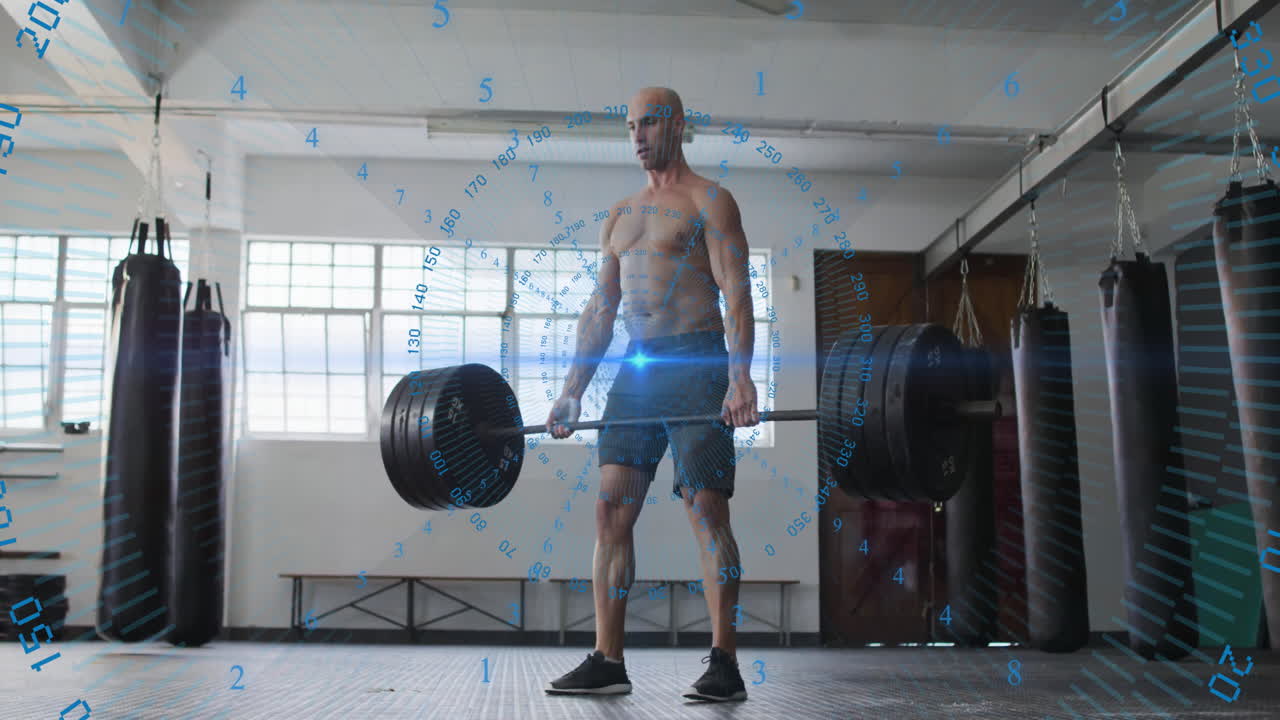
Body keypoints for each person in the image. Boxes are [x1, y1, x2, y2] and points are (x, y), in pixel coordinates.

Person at [543, 86, 759, 703]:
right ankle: (608, 660)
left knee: (706, 510)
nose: (637, 136)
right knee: (610, 512)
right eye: (631, 126)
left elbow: (737, 291)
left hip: (697, 363)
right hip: (637, 373)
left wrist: (740, 376)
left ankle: (724, 663)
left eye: (648, 123)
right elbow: (600, 310)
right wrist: (572, 390)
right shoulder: (620, 214)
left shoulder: (710, 200)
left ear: (678, 124)